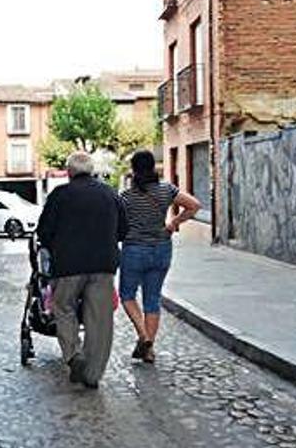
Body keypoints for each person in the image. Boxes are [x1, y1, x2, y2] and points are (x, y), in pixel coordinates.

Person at [36, 152, 127, 389]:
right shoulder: (109, 193)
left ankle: (74, 354)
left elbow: (44, 232)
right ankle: (92, 375)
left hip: (68, 266)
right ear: (91, 170)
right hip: (103, 265)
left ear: (69, 172)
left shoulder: (60, 195)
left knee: (63, 307)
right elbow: (123, 230)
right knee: (100, 320)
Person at [119, 150, 201, 363]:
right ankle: (149, 350)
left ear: (134, 170)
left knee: (127, 296)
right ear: (153, 167)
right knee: (152, 299)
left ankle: (144, 337)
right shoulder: (166, 189)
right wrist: (174, 223)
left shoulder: (126, 197)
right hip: (161, 248)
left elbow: (118, 223)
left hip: (134, 250)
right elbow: (194, 205)